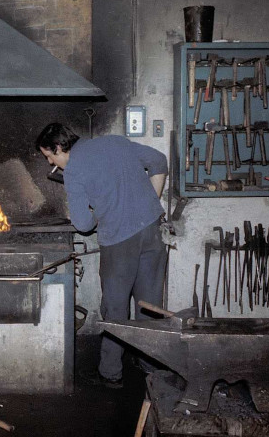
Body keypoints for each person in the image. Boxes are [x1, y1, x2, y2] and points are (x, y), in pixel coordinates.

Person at [35, 122, 168, 389]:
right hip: (152, 231)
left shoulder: (73, 171)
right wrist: (150, 200)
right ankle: (150, 365)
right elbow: (159, 160)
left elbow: (83, 225)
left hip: (119, 242)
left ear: (59, 147)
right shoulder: (115, 142)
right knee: (150, 303)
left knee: (115, 307)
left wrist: (102, 212)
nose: (51, 163)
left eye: (49, 156)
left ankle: (111, 374)